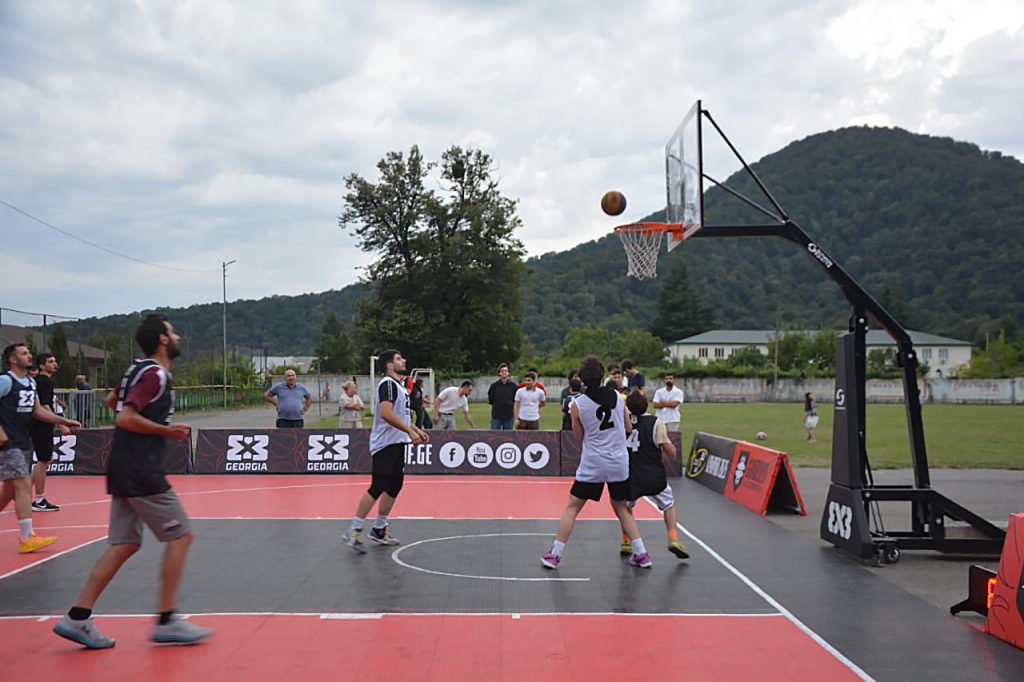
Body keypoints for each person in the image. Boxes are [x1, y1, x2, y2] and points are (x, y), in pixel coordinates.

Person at [52, 314, 212, 649]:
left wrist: (144, 421)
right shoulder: (155, 374)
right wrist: (164, 430)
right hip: (141, 470)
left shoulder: (135, 369)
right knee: (181, 535)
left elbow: (114, 402)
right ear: (163, 339)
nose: (178, 336)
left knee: (124, 544)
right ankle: (167, 620)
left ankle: (77, 618)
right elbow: (125, 416)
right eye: (173, 332)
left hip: (123, 466)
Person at [541, 355, 651, 569]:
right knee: (622, 508)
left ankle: (555, 554)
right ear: (603, 377)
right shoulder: (618, 397)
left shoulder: (577, 404)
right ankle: (642, 554)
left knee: (573, 507)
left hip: (593, 462)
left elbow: (579, 437)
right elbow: (628, 428)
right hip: (618, 461)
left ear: (582, 380)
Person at [343, 350, 429, 553]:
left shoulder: (399, 386)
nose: (404, 360)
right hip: (386, 443)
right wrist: (409, 431)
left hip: (397, 441)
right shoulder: (388, 384)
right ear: (390, 365)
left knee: (395, 484)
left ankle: (379, 529)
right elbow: (386, 413)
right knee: (378, 485)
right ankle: (354, 530)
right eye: (399, 358)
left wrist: (416, 429)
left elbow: (402, 415)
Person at [1, 344, 80, 553]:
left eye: (29, 353)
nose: (29, 356)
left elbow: (38, 411)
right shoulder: (6, 381)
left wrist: (63, 421)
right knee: (24, 485)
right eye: (24, 353)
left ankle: (27, 536)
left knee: (9, 490)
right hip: (8, 443)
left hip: (23, 439)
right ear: (13, 360)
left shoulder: (30, 383)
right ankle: (27, 537)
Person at [622, 390, 689, 559]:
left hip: (630, 476)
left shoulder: (623, 422)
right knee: (669, 505)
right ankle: (673, 538)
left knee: (625, 509)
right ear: (647, 405)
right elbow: (669, 450)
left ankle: (626, 541)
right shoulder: (655, 422)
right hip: (653, 475)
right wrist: (672, 449)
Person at [30, 352, 70, 512]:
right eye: (51, 361)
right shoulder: (44, 382)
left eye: (55, 361)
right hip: (42, 424)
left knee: (46, 459)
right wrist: (61, 423)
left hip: (41, 424)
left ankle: (22, 491)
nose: (55, 364)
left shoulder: (42, 381)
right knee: (43, 461)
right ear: (42, 365)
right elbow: (45, 406)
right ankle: (39, 500)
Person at [487, 363, 517, 430]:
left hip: (509, 416)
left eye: (506, 371)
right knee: (494, 435)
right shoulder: (494, 386)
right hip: (496, 416)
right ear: (499, 373)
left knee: (508, 435)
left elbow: (515, 400)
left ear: (508, 373)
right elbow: (491, 398)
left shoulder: (514, 386)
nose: (504, 372)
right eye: (502, 371)